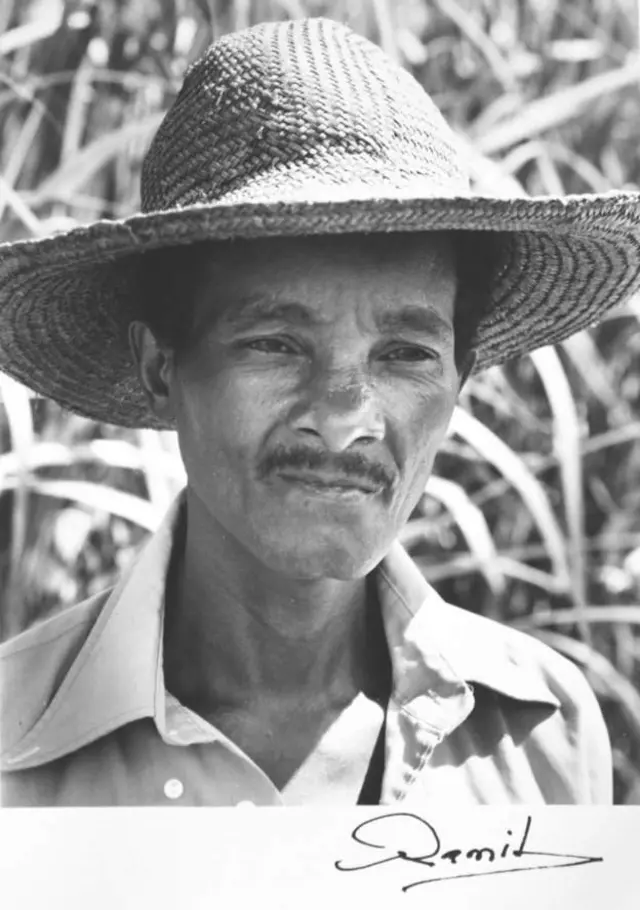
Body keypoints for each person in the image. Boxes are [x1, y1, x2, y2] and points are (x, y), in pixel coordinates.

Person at [0, 17, 637, 807]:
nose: (344, 418)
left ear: (460, 381)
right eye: (275, 345)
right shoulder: (14, 741)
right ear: (162, 367)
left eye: (405, 354)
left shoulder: (545, 735)